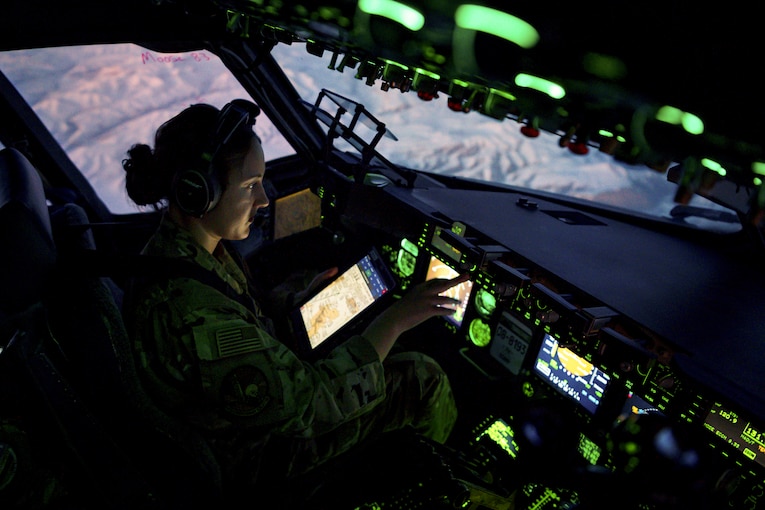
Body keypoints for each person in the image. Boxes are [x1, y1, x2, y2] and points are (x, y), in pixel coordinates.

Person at [121, 100, 468, 497]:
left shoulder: (181, 251)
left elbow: (243, 325)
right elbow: (312, 405)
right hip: (254, 462)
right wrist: (395, 321)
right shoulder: (191, 309)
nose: (264, 200)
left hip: (233, 426)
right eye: (250, 186)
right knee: (420, 379)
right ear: (198, 193)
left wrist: (294, 302)